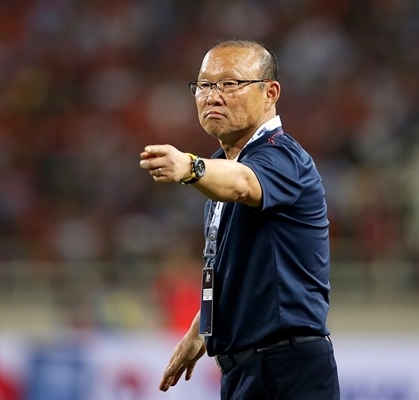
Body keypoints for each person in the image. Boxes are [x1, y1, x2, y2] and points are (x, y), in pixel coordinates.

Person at [139, 39, 340, 399]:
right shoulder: (221, 170)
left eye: (230, 84)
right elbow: (230, 269)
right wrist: (201, 331)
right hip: (243, 372)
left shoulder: (282, 158)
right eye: (204, 85)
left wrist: (190, 166)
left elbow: (245, 183)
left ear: (270, 92)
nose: (213, 96)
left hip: (287, 369)